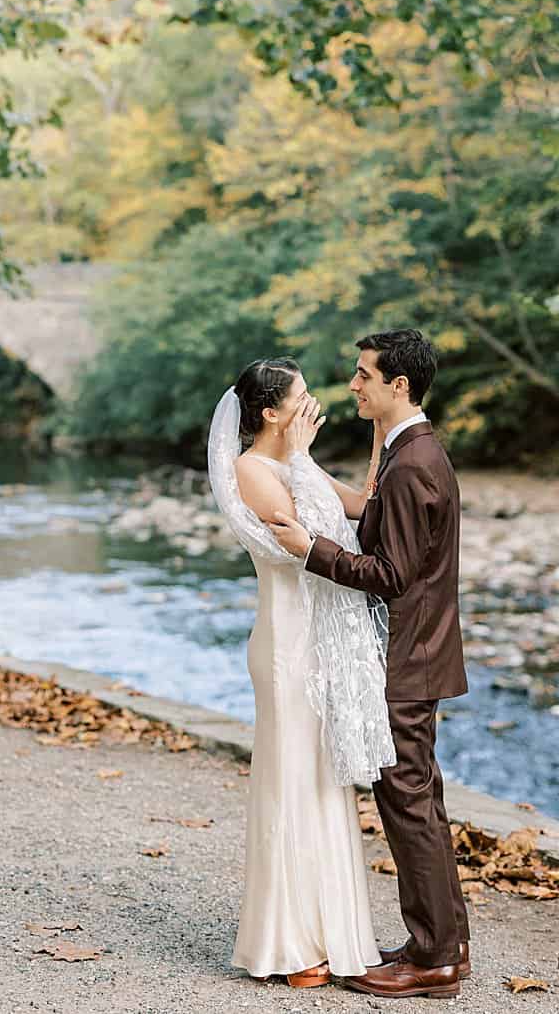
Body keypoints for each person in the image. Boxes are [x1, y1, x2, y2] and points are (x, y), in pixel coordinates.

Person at [261, 328, 473, 999]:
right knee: (420, 801)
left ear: (398, 385)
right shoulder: (410, 448)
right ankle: (442, 943)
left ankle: (435, 957)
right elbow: (382, 532)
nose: (353, 384)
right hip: (419, 651)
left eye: (363, 375)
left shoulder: (413, 463)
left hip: (410, 656)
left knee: (408, 803)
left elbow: (390, 574)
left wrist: (310, 548)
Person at [209, 357, 395, 988]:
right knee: (290, 778)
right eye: (303, 397)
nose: (314, 405)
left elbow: (362, 514)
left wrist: (378, 435)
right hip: (286, 644)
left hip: (321, 644)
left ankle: (332, 930)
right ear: (270, 412)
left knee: (323, 780)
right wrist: (302, 457)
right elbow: (306, 545)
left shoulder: (296, 464)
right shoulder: (252, 470)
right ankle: (290, 944)